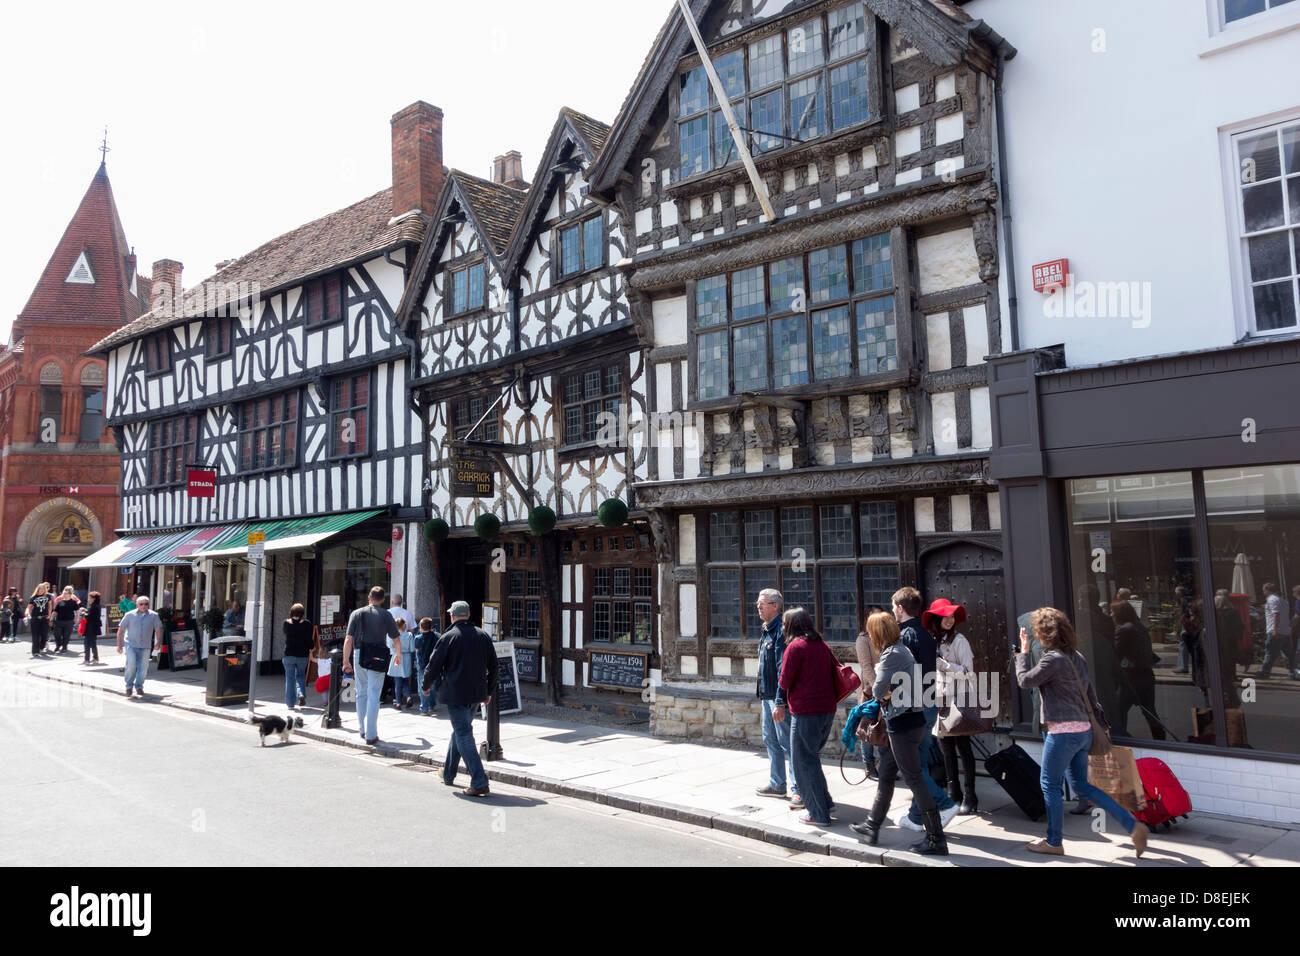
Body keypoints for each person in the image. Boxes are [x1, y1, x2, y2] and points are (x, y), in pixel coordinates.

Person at [1015, 607, 1150, 858]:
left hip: (1063, 733)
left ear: (1044, 634)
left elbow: (1025, 681)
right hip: (1083, 731)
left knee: (1049, 785)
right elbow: (1090, 695)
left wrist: (1022, 654)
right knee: (1082, 786)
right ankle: (1133, 825)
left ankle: (1054, 841)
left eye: (1036, 632)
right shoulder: (1076, 656)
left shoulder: (1051, 659)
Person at [851, 611, 948, 854]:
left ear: (877, 633)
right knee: (886, 773)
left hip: (903, 726)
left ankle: (937, 839)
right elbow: (888, 690)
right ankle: (872, 826)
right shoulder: (900, 650)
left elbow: (877, 690)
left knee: (915, 779)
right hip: (910, 721)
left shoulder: (891, 655)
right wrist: (888, 691)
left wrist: (885, 691)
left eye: (871, 631)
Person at [892, 587, 958, 830]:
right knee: (918, 765)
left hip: (914, 707)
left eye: (893, 607)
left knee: (913, 769)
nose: (892, 611)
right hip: (928, 704)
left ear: (900, 608)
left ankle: (945, 804)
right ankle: (916, 817)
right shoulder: (926, 635)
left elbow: (904, 675)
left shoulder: (907, 635)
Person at [422, 600, 498, 797]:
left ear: (453, 616)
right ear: (469, 615)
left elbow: (434, 664)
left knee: (463, 733)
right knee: (460, 731)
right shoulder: (483, 636)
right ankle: (448, 774)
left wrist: (425, 685)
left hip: (456, 694)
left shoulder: (449, 637)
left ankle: (479, 781)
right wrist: (489, 691)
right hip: (476, 693)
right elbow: (494, 666)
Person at [772, 607, 837, 827]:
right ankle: (825, 802)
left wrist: (780, 699)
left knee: (802, 763)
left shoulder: (795, 647)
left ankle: (818, 814)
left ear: (791, 625)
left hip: (805, 711)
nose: (782, 627)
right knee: (812, 758)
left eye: (783, 624)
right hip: (827, 710)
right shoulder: (822, 645)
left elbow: (785, 681)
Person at [924, 597, 979, 815]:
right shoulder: (934, 641)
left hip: (959, 700)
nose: (949, 620)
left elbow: (968, 672)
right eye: (944, 616)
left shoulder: (960, 641)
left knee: (964, 748)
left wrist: (943, 664)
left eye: (951, 616)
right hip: (941, 700)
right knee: (946, 750)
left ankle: (970, 796)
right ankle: (952, 793)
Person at [342, 586, 401, 746]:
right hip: (378, 655)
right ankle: (371, 733)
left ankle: (362, 729)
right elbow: (395, 638)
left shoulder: (356, 613)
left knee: (360, 692)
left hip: (359, 653)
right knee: (374, 694)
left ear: (369, 598)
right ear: (382, 599)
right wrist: (398, 655)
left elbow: (348, 639)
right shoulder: (386, 615)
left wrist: (345, 661)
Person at [754, 588, 798, 802]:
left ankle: (798, 788)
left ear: (775, 606)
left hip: (778, 698)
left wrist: (781, 701)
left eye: (763, 603)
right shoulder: (766, 629)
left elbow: (783, 669)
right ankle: (777, 783)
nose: (758, 606)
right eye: (758, 603)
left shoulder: (781, 631)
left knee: (787, 743)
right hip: (767, 695)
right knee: (770, 739)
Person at [1111, 599, 1166, 738]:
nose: (1111, 614)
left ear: (1119, 613)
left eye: (1113, 612)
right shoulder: (1139, 626)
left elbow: (1116, 653)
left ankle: (1122, 739)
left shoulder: (1123, 629)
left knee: (1119, 710)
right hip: (1146, 674)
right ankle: (1160, 737)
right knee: (1149, 710)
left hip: (1131, 675)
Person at [116, 595, 162, 699]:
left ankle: (139, 686)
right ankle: (128, 687)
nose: (144, 606)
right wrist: (119, 645)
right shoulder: (129, 615)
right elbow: (121, 630)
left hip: (145, 645)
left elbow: (158, 630)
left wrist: (158, 643)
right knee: (131, 665)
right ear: (137, 605)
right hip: (131, 644)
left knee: (143, 668)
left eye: (146, 604)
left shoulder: (154, 615)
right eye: (141, 604)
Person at [854, 611, 881, 781]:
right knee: (867, 726)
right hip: (870, 690)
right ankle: (869, 766)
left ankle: (885, 766)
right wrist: (879, 687)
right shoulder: (863, 639)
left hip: (887, 690)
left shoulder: (887, 637)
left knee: (882, 727)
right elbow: (866, 666)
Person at [1260, 582, 1297, 679]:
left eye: (1264, 590)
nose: (1263, 592)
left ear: (1267, 590)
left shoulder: (1271, 599)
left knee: (1270, 653)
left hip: (1276, 631)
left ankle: (1265, 672)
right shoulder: (1284, 601)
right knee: (1289, 655)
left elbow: (1276, 614)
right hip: (1286, 631)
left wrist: (1275, 630)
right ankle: (1293, 673)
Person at [282, 604, 315, 710]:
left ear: (291, 612)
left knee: (290, 678)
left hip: (289, 655)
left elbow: (287, 632)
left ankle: (290, 704)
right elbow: (309, 640)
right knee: (300, 676)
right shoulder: (307, 624)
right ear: (302, 613)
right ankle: (301, 694)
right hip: (302, 655)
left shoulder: (286, 623)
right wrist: (312, 647)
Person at [414, 617, 440, 714]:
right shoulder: (436, 637)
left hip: (422, 665)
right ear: (431, 627)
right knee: (432, 686)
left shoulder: (417, 638)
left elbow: (417, 653)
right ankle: (432, 705)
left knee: (422, 686)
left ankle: (424, 708)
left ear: (420, 627)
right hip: (433, 665)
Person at [389, 619, 416, 710]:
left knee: (397, 682)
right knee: (405, 680)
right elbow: (412, 649)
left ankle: (398, 703)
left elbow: (391, 647)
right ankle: (408, 697)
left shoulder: (392, 635)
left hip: (396, 657)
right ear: (404, 625)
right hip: (407, 657)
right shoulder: (409, 635)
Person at [52, 585, 81, 654]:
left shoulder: (73, 602)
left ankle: (64, 647)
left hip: (69, 621)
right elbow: (55, 611)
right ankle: (58, 644)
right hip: (59, 620)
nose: (64, 594)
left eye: (65, 593)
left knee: (66, 635)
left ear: (69, 594)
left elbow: (78, 611)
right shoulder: (60, 602)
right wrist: (51, 618)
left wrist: (77, 618)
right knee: (56, 633)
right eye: (63, 593)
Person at [27, 582, 53, 657]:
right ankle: (35, 651)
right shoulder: (33, 597)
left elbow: (50, 606)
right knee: (35, 635)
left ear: (45, 589)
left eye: (43, 588)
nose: (41, 590)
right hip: (35, 618)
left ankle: (41, 647)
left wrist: (49, 615)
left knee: (44, 634)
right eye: (40, 588)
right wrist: (28, 614)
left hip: (44, 618)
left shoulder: (48, 596)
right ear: (37, 589)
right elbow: (29, 607)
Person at [82, 591, 103, 664]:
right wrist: (86, 611)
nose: (88, 599)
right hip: (94, 627)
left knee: (87, 643)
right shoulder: (96, 606)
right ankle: (95, 658)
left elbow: (89, 616)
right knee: (93, 643)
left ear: (93, 599)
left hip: (91, 627)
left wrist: (83, 613)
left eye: (90, 598)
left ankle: (86, 659)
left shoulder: (94, 607)